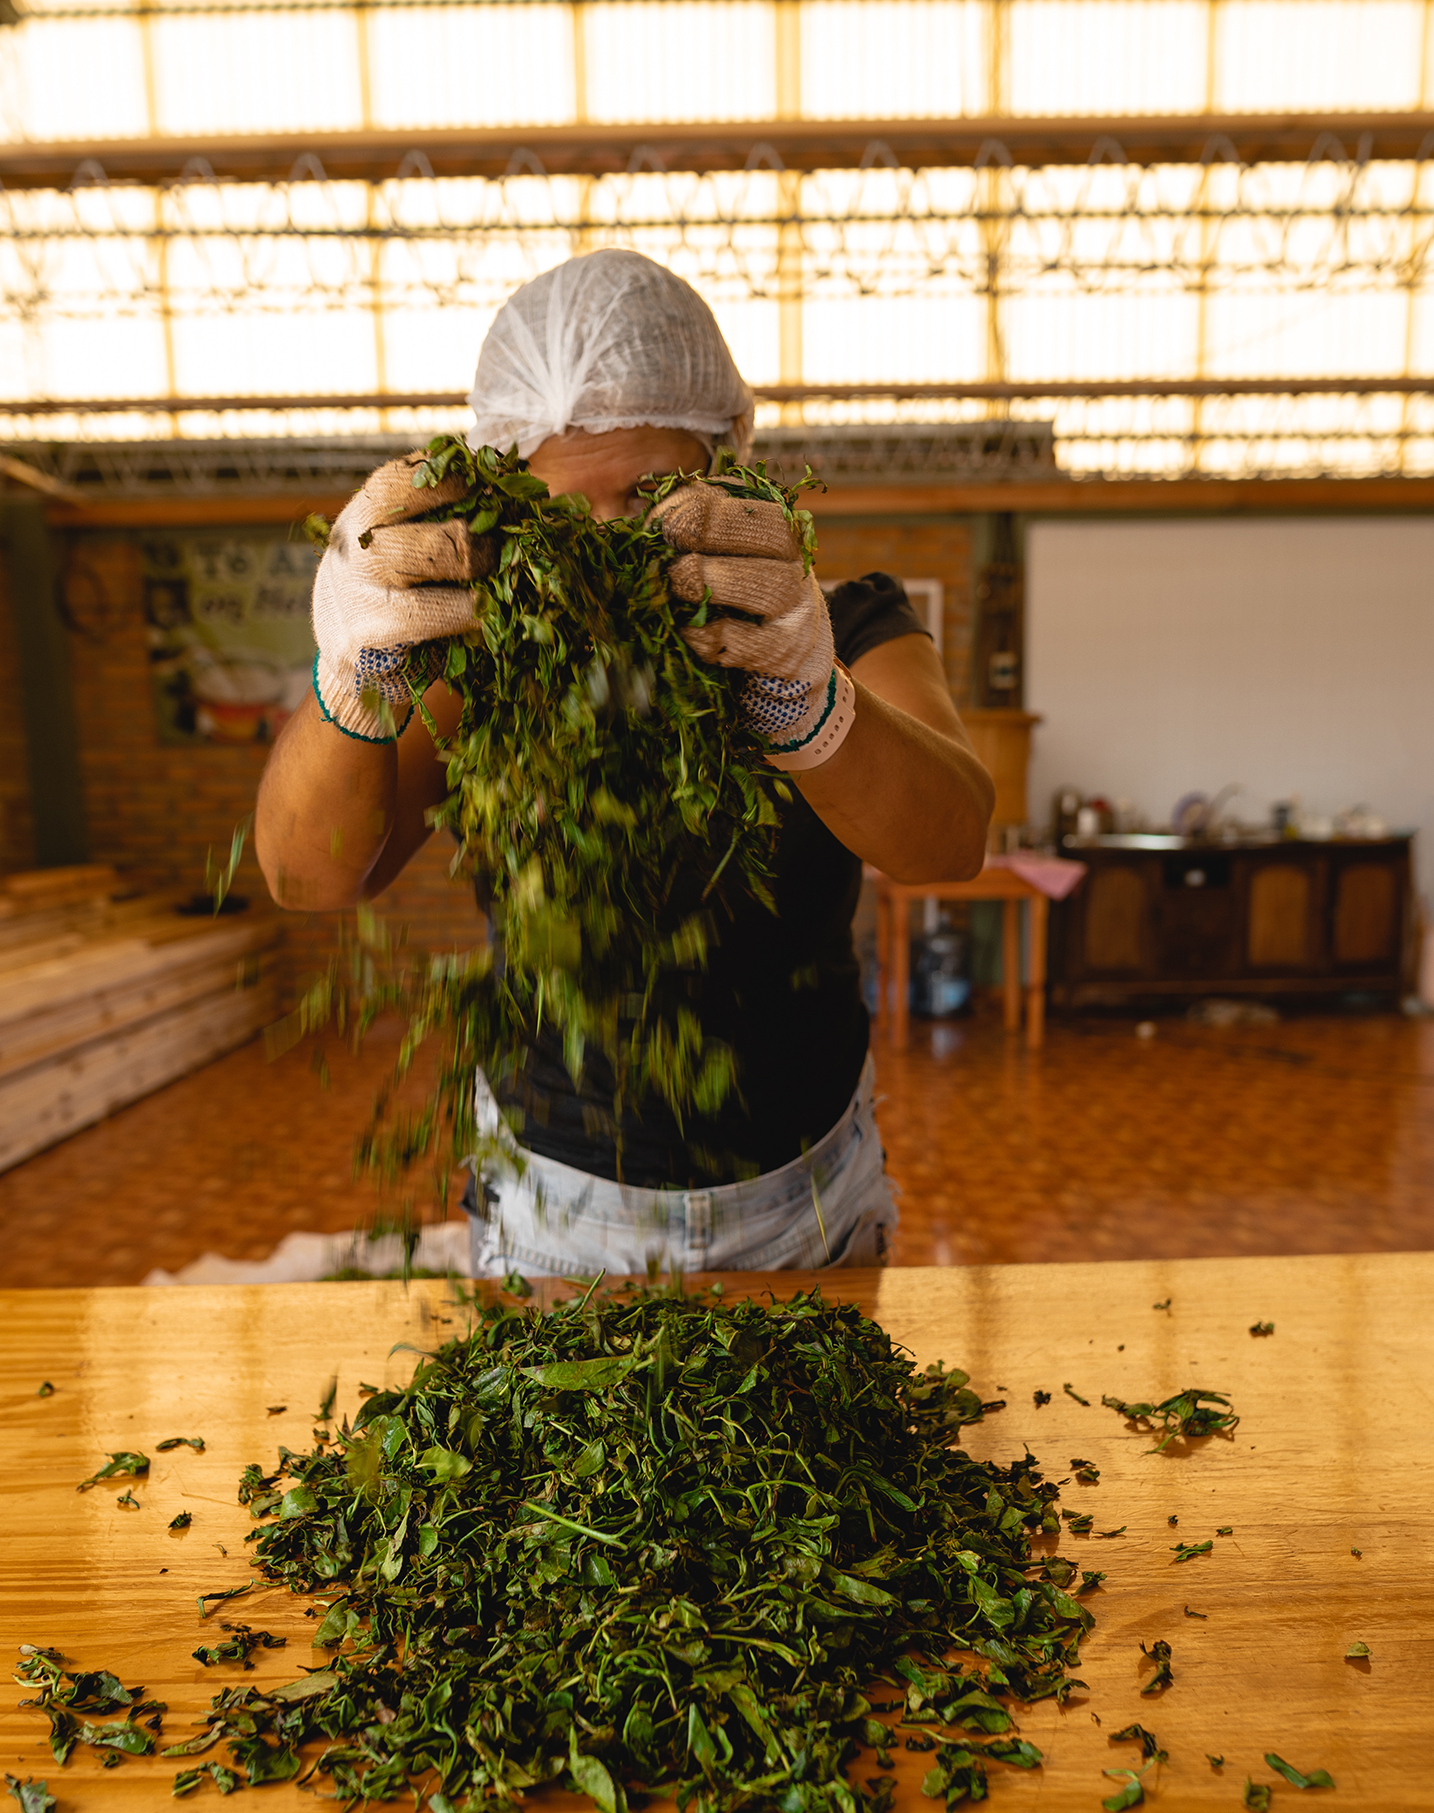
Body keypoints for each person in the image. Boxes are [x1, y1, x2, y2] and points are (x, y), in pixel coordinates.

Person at [256, 250, 993, 1277]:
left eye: (649, 489)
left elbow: (950, 841)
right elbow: (311, 874)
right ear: (509, 498)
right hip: (557, 1194)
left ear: (724, 457)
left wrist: (804, 698)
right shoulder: (479, 650)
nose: (607, 536)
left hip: (804, 1180)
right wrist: (354, 681)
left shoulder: (834, 622)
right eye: (563, 506)